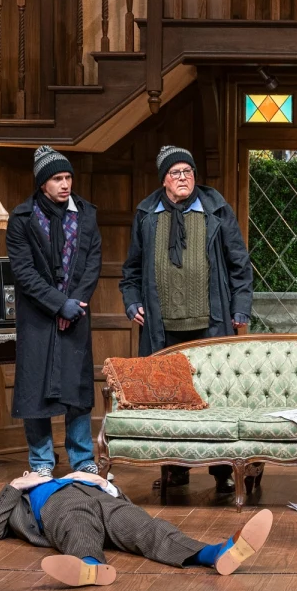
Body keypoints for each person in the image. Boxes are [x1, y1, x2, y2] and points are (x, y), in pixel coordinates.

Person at [120, 145, 253, 493]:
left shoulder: (216, 210)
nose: (184, 178)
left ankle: (222, 469)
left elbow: (239, 263)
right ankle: (174, 469)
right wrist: (132, 302)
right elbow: (131, 269)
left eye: (189, 172)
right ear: (163, 179)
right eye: (176, 173)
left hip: (211, 321)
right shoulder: (147, 214)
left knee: (215, 396)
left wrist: (240, 307)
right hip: (163, 327)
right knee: (168, 398)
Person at [0, 470, 272, 587]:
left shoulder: (74, 477)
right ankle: (89, 566)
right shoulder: (21, 495)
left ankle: (217, 552)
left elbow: (122, 501)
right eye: (29, 473)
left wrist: (104, 484)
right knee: (78, 524)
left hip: (102, 499)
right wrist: (15, 485)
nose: (35, 473)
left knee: (144, 527)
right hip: (59, 506)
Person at [6, 146, 103, 478]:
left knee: (75, 387)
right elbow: (24, 272)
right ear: (42, 183)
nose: (65, 184)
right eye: (57, 178)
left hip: (76, 312)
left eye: (68, 177)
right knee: (36, 389)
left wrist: (74, 303)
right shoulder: (22, 218)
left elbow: (92, 263)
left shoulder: (86, 214)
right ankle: (42, 461)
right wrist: (58, 303)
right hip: (37, 316)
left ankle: (81, 458)